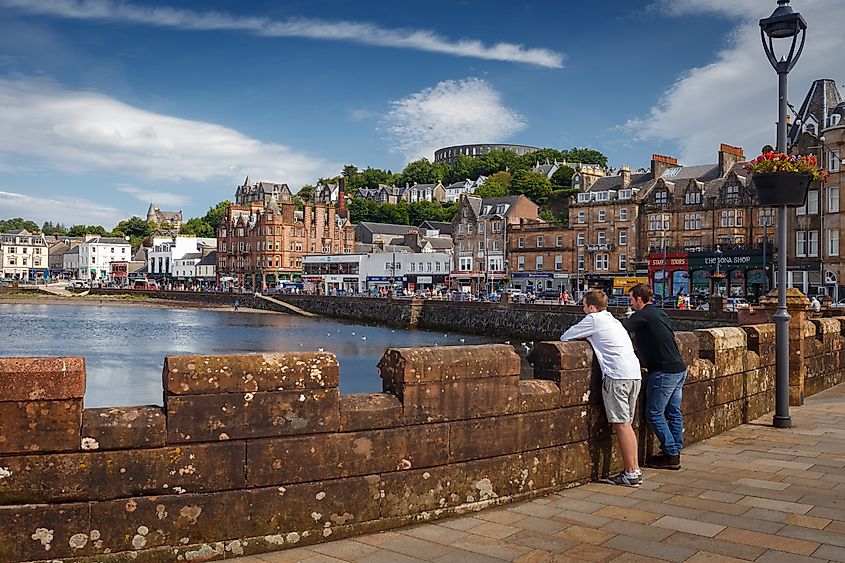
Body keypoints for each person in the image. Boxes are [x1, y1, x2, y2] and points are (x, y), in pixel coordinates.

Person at [561, 290, 643, 487]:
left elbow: (565, 337)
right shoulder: (614, 321)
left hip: (617, 375)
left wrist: (588, 337)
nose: (582, 309)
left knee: (622, 424)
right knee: (627, 424)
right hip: (634, 373)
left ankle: (631, 473)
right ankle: (635, 469)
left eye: (584, 305)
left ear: (591, 307)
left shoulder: (594, 320)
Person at [623, 284, 687, 470]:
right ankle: (675, 450)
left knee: (654, 413)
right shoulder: (659, 313)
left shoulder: (642, 315)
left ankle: (671, 454)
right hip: (678, 368)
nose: (631, 303)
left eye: (631, 300)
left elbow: (620, 329)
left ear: (639, 299)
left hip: (664, 371)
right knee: (673, 412)